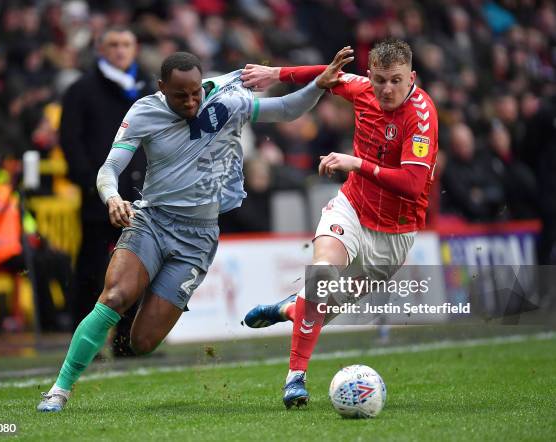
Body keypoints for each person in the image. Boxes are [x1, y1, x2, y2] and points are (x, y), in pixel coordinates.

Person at [37, 48, 353, 412]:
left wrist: (317, 84)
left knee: (142, 342)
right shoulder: (143, 111)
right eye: (179, 96)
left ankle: (154, 285)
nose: (190, 102)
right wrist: (112, 198)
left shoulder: (226, 100)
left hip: (198, 238)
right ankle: (59, 390)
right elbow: (109, 169)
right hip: (152, 220)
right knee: (114, 297)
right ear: (161, 88)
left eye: (195, 94)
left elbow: (286, 110)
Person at [241, 38, 439, 408]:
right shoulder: (363, 90)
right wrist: (275, 73)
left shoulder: (421, 114)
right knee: (321, 275)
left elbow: (413, 185)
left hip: (394, 234)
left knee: (324, 306)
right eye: (379, 80)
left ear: (411, 77)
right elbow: (327, 74)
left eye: (396, 80)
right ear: (370, 76)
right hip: (351, 207)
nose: (387, 89)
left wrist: (357, 163)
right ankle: (295, 379)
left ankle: (288, 309)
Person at [59, 26, 156, 356]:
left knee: (140, 267)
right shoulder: (81, 90)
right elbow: (70, 142)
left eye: (126, 44)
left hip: (142, 195)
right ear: (101, 49)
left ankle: (127, 340)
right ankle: (86, 343)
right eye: (113, 44)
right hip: (97, 197)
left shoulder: (149, 88)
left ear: (135, 47)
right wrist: (91, 183)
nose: (120, 50)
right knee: (91, 269)